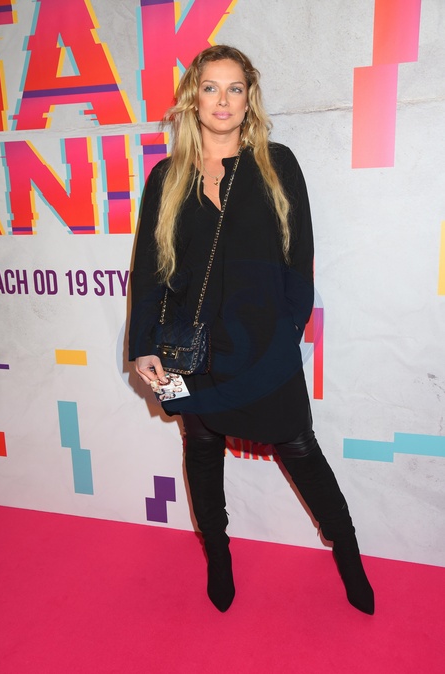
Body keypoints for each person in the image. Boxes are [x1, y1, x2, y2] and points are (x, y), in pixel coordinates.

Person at [129, 45, 374, 615]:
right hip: (187, 351)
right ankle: (218, 558)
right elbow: (150, 271)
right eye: (210, 87)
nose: (223, 100)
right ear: (193, 98)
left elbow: (298, 259)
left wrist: (285, 334)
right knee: (201, 447)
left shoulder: (276, 164)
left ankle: (349, 556)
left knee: (299, 445)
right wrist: (142, 347)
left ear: (249, 98)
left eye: (235, 88)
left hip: (263, 345)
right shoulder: (166, 177)